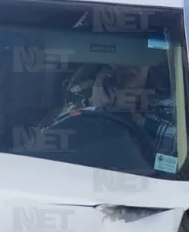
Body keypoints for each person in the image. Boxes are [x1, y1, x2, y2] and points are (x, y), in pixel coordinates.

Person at [48, 63, 177, 162]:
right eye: (125, 56)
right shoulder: (80, 95)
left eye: (139, 57)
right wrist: (94, 105)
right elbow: (50, 138)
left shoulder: (167, 108)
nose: (131, 65)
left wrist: (127, 115)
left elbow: (172, 165)